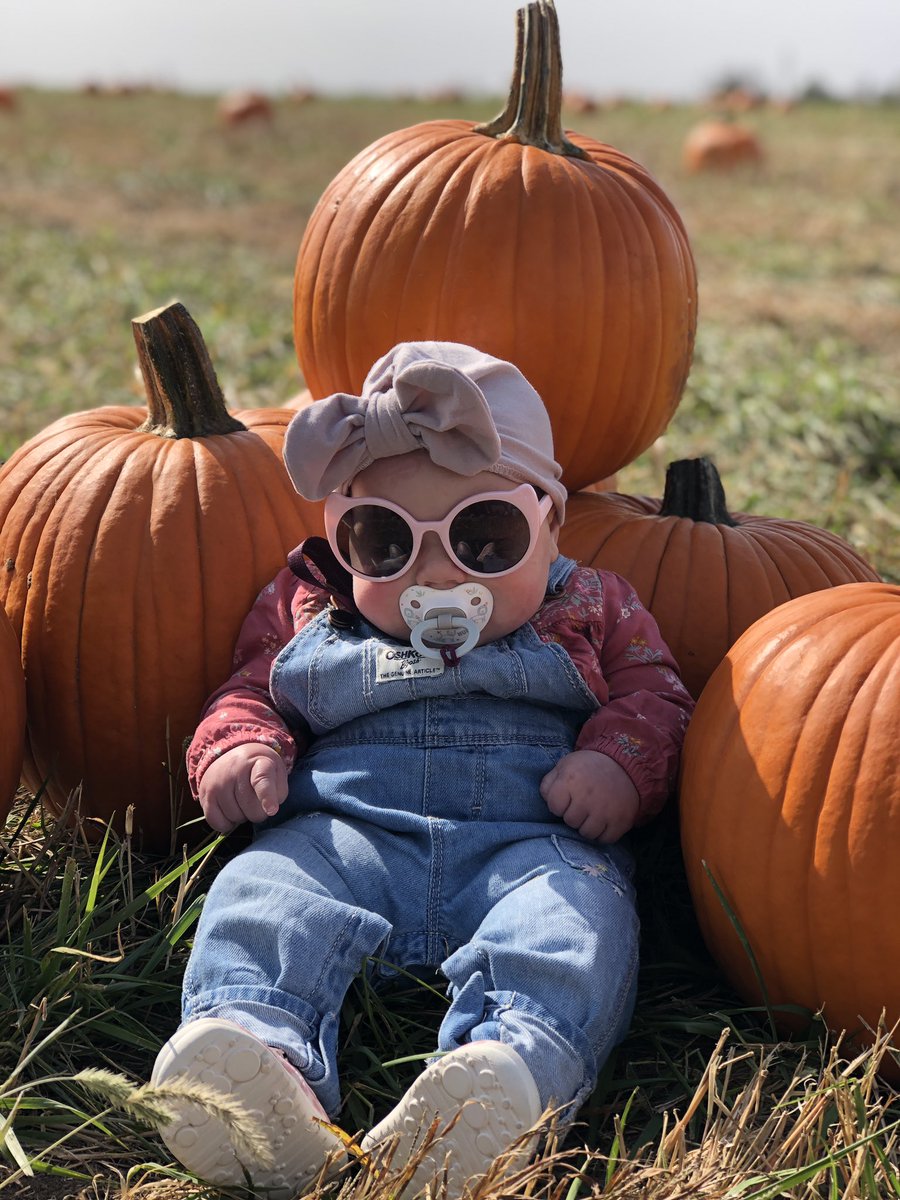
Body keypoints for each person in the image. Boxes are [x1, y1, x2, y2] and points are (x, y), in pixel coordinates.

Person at [151, 341, 694, 1197]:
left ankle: (506, 1072)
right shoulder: (308, 605)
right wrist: (242, 745)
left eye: (484, 537)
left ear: (550, 521)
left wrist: (618, 764)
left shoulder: (593, 605)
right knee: (262, 891)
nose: (436, 573)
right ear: (340, 534)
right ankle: (253, 1054)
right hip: (345, 836)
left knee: (579, 920)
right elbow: (252, 685)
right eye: (386, 541)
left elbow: (658, 696)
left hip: (529, 848)